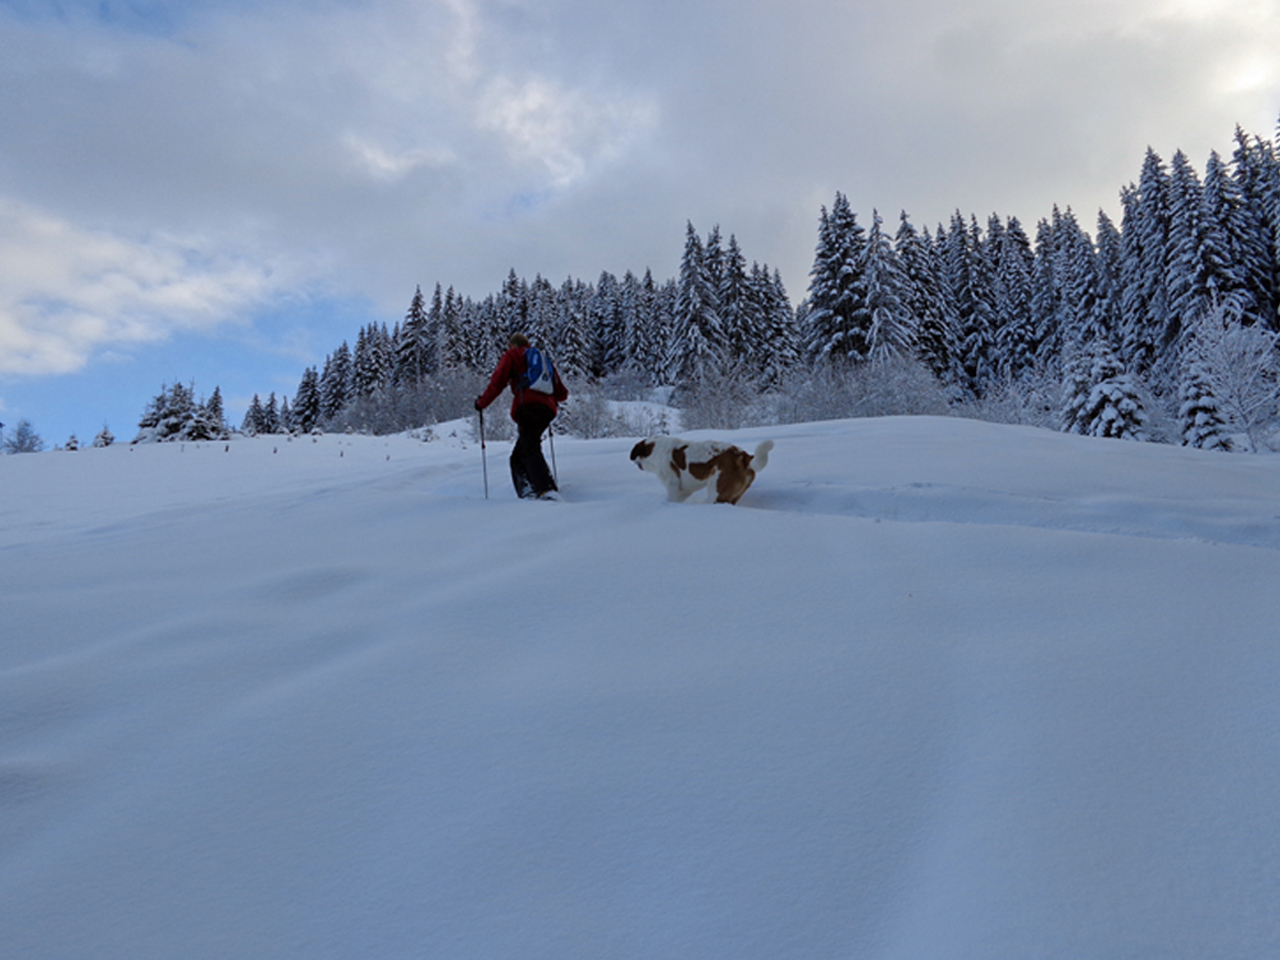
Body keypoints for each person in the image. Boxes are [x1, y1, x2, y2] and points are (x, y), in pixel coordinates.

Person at [475, 333, 569, 499]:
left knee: (528, 449)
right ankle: (535, 492)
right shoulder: (541, 358)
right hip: (547, 411)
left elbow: (498, 382)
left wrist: (481, 403)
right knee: (520, 455)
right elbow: (562, 393)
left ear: (512, 345)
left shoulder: (512, 355)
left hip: (528, 408)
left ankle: (545, 491)